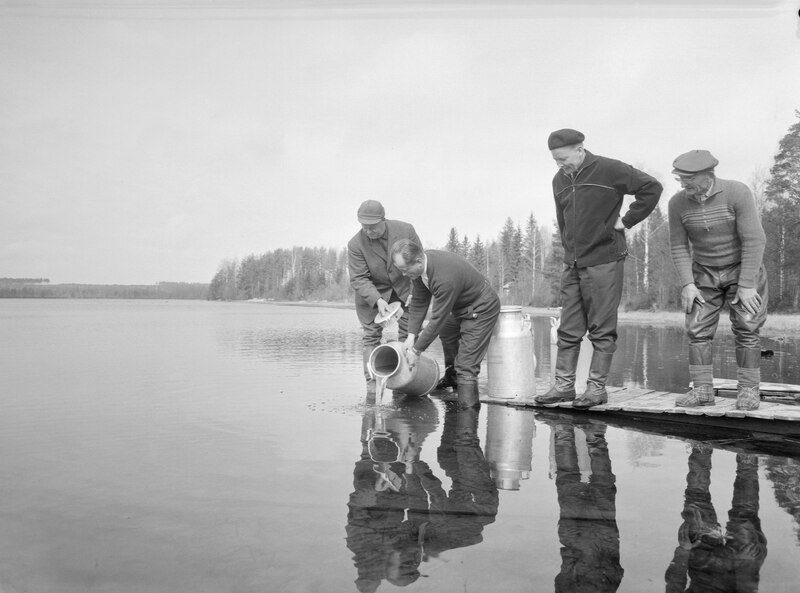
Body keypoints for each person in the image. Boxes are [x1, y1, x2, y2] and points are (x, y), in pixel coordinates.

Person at [536, 129, 662, 408]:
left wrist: (627, 220)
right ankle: (564, 386)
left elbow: (651, 188)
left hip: (604, 260)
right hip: (573, 264)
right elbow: (563, 221)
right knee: (568, 329)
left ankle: (596, 389)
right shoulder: (559, 180)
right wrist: (569, 254)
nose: (560, 165)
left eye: (563, 158)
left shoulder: (608, 169)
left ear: (580, 149)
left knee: (601, 329)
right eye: (555, 160)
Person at [668, 150, 768, 410]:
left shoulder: (737, 192)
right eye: (681, 179)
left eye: (689, 178)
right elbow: (678, 246)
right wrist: (688, 284)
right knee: (697, 329)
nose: (684, 184)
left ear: (708, 175)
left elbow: (755, 240)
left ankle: (748, 392)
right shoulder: (677, 203)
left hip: (742, 268)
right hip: (704, 271)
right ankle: (702, 392)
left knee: (747, 328)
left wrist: (747, 285)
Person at [389, 238, 501, 409]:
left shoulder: (444, 278)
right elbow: (419, 301)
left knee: (467, 365)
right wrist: (411, 336)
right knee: (448, 332)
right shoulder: (420, 270)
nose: (404, 274)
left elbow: (437, 319)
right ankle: (452, 376)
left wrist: (417, 350)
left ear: (418, 261)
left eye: (405, 269)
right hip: (459, 306)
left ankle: (467, 417)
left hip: (481, 307)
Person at [348, 200, 421, 395]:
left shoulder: (406, 230)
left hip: (405, 288)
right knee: (371, 336)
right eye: (364, 227)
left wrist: (417, 291)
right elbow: (358, 278)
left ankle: (406, 383)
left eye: (372, 227)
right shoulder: (355, 244)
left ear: (383, 220)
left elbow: (419, 261)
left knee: (410, 332)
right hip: (372, 294)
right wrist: (378, 300)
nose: (368, 231)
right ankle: (372, 385)